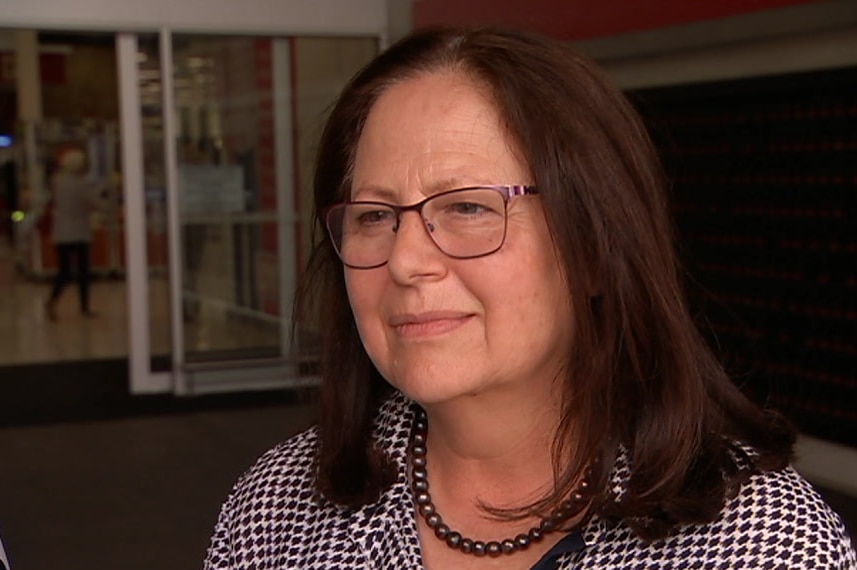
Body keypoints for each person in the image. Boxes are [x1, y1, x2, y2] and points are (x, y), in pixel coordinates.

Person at [204, 27, 856, 569]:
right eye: (373, 216)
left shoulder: (764, 544)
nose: (404, 260)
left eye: (465, 206)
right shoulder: (276, 506)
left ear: (596, 246)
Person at [44, 148, 104, 320]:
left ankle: (52, 301)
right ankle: (84, 307)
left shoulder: (57, 182)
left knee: (64, 271)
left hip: (61, 232)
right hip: (80, 232)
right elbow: (97, 203)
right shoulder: (82, 184)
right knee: (83, 272)